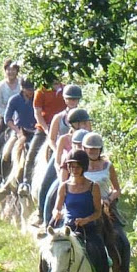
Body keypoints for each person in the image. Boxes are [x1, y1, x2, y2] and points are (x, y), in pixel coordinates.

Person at [26, 149, 116, 272]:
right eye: (71, 166)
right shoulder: (64, 186)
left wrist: (86, 219)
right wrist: (57, 213)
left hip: (88, 229)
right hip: (67, 228)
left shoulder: (92, 187)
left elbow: (97, 212)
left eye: (77, 166)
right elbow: (57, 207)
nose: (73, 169)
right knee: (44, 252)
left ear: (83, 167)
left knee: (100, 253)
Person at [82, 132, 137, 272]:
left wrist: (108, 198)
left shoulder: (107, 165)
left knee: (123, 241)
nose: (93, 151)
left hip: (106, 208)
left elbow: (117, 189)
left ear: (100, 149)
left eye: (95, 149)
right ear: (84, 148)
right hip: (85, 207)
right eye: (90, 149)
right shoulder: (79, 166)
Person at [32, 84, 83, 226]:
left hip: (80, 154)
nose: (72, 102)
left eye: (75, 99)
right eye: (70, 99)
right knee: (47, 184)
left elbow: (88, 135)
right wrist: (58, 152)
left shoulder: (84, 117)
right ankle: (42, 216)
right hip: (61, 153)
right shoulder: (58, 117)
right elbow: (52, 138)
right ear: (65, 100)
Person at [38, 109, 92, 232]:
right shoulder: (64, 139)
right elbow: (58, 160)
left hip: (87, 174)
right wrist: (62, 176)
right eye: (82, 123)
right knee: (51, 192)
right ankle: (47, 223)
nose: (85, 126)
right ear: (73, 124)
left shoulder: (89, 138)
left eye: (85, 123)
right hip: (66, 170)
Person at [18, 79, 65, 196]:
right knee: (32, 153)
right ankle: (26, 183)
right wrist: (47, 129)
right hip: (44, 128)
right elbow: (37, 113)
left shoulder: (66, 89)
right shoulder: (41, 91)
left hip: (63, 128)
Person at [0, 59, 20, 180]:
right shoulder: (0, 87)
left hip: (21, 117)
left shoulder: (22, 84)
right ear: (5, 71)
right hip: (5, 117)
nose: (11, 72)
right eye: (8, 69)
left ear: (17, 71)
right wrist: (7, 116)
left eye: (13, 69)